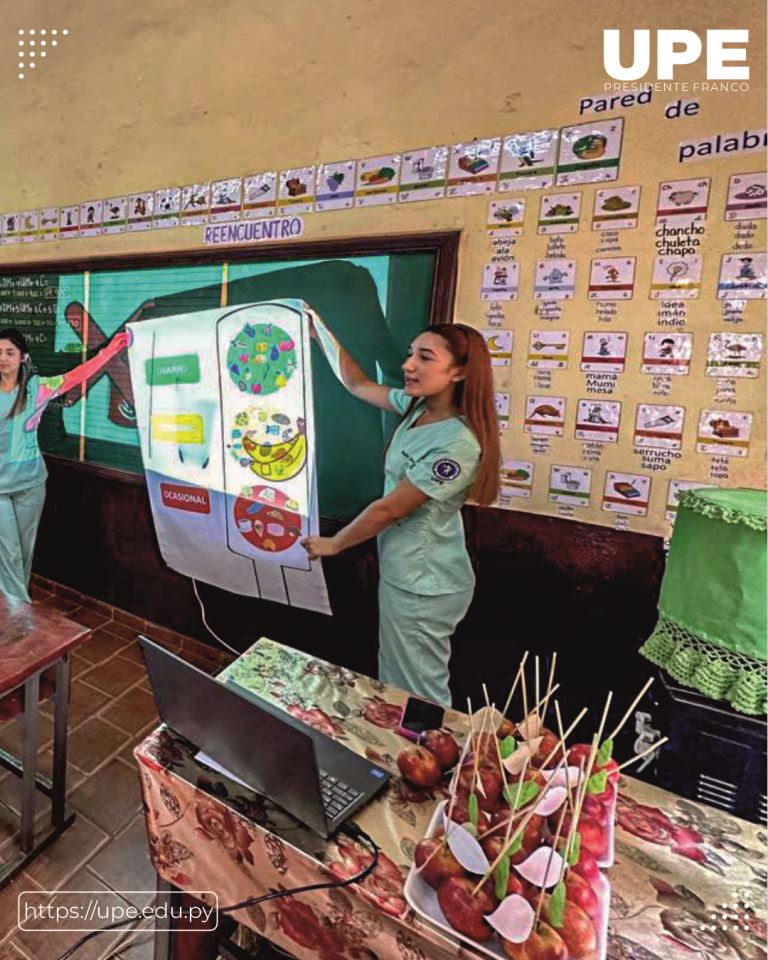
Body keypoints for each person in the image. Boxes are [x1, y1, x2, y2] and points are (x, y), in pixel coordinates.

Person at [302, 311, 499, 705]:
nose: (408, 365)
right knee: (396, 676)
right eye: (411, 354)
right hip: (405, 572)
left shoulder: (458, 443)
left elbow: (389, 509)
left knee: (418, 689)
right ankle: (407, 753)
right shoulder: (417, 409)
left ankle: (428, 757)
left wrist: (335, 544)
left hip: (425, 583)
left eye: (425, 357)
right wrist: (318, 329)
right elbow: (357, 384)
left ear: (459, 372)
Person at [0, 327, 132, 603]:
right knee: (8, 552)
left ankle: (15, 611)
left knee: (24, 550)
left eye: (9, 352)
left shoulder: (37, 388)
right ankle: (20, 612)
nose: (3, 358)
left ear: (23, 356)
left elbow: (76, 376)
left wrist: (108, 353)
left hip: (32, 484)